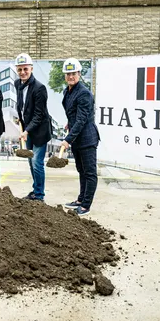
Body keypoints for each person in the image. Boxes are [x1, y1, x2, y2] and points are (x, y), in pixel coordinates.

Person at [60, 58, 100, 216]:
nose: (70, 76)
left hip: (87, 138)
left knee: (90, 172)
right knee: (81, 170)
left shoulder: (84, 94)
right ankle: (80, 199)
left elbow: (82, 120)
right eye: (68, 73)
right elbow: (74, 115)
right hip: (77, 137)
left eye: (73, 73)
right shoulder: (67, 91)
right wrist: (69, 123)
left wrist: (67, 140)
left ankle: (86, 205)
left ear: (79, 74)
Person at [14, 53, 52, 201]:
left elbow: (39, 115)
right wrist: (21, 121)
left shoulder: (40, 88)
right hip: (27, 130)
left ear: (31, 68)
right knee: (31, 162)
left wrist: (26, 131)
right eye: (20, 69)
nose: (22, 72)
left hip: (40, 131)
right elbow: (22, 107)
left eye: (25, 69)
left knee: (37, 162)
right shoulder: (18, 84)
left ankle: (40, 195)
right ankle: (35, 190)